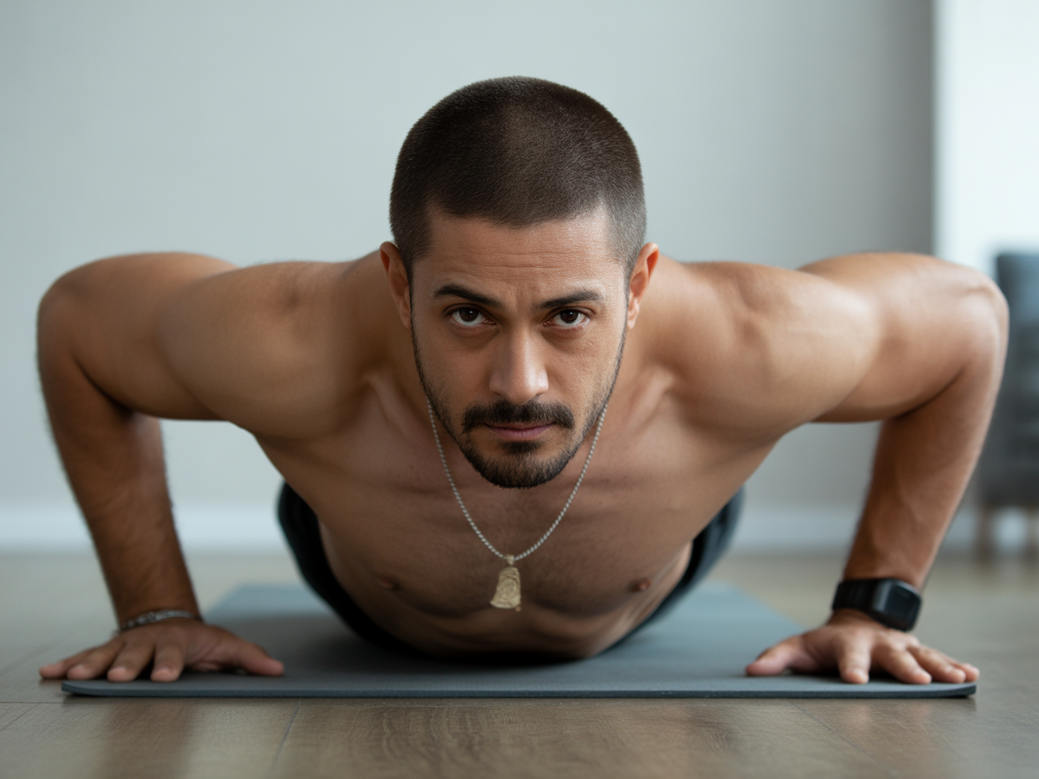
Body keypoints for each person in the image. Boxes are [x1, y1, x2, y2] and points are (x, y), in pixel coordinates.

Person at [37, 76, 1002, 686]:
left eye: (567, 314)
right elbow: (78, 320)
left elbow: (967, 322)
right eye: (466, 313)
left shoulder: (755, 341)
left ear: (638, 285)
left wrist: (876, 604)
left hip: (658, 551)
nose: (519, 381)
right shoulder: (289, 341)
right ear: (396, 280)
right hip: (363, 571)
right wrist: (154, 606)